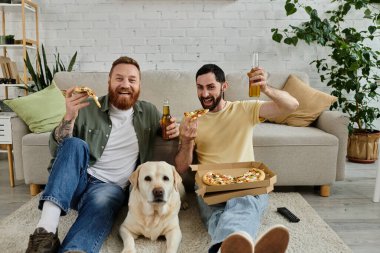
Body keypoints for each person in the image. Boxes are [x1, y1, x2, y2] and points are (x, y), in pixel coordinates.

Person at [26, 56, 179, 253]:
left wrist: (175, 130)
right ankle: (45, 231)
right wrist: (69, 117)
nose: (125, 85)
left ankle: (76, 250)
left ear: (139, 85)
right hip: (74, 183)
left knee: (102, 204)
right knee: (74, 144)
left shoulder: (148, 112)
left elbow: (169, 129)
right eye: (119, 78)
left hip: (109, 189)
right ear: (109, 81)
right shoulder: (88, 107)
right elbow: (58, 151)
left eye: (132, 80)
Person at [175, 64, 299, 253]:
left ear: (224, 87)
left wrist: (265, 88)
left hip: (246, 184)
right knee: (224, 213)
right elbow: (181, 168)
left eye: (210, 87)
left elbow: (292, 106)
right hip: (210, 189)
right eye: (200, 87)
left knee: (239, 204)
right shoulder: (192, 120)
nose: (204, 93)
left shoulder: (244, 109)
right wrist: (187, 141)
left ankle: (219, 249)